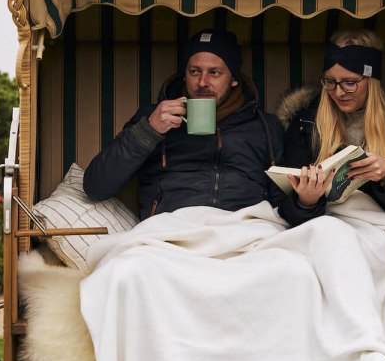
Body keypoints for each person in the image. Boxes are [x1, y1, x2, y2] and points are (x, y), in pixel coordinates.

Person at [84, 28, 284, 219]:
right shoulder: (154, 117)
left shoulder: (266, 127)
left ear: (233, 79)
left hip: (244, 230)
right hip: (170, 230)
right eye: (195, 71)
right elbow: (96, 187)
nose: (202, 82)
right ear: (185, 75)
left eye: (214, 73)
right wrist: (149, 130)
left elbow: (282, 202)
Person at [277, 29, 385, 226]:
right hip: (324, 227)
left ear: (371, 80)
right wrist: (305, 201)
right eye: (330, 82)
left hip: (380, 229)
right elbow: (281, 206)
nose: (338, 92)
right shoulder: (305, 124)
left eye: (350, 83)